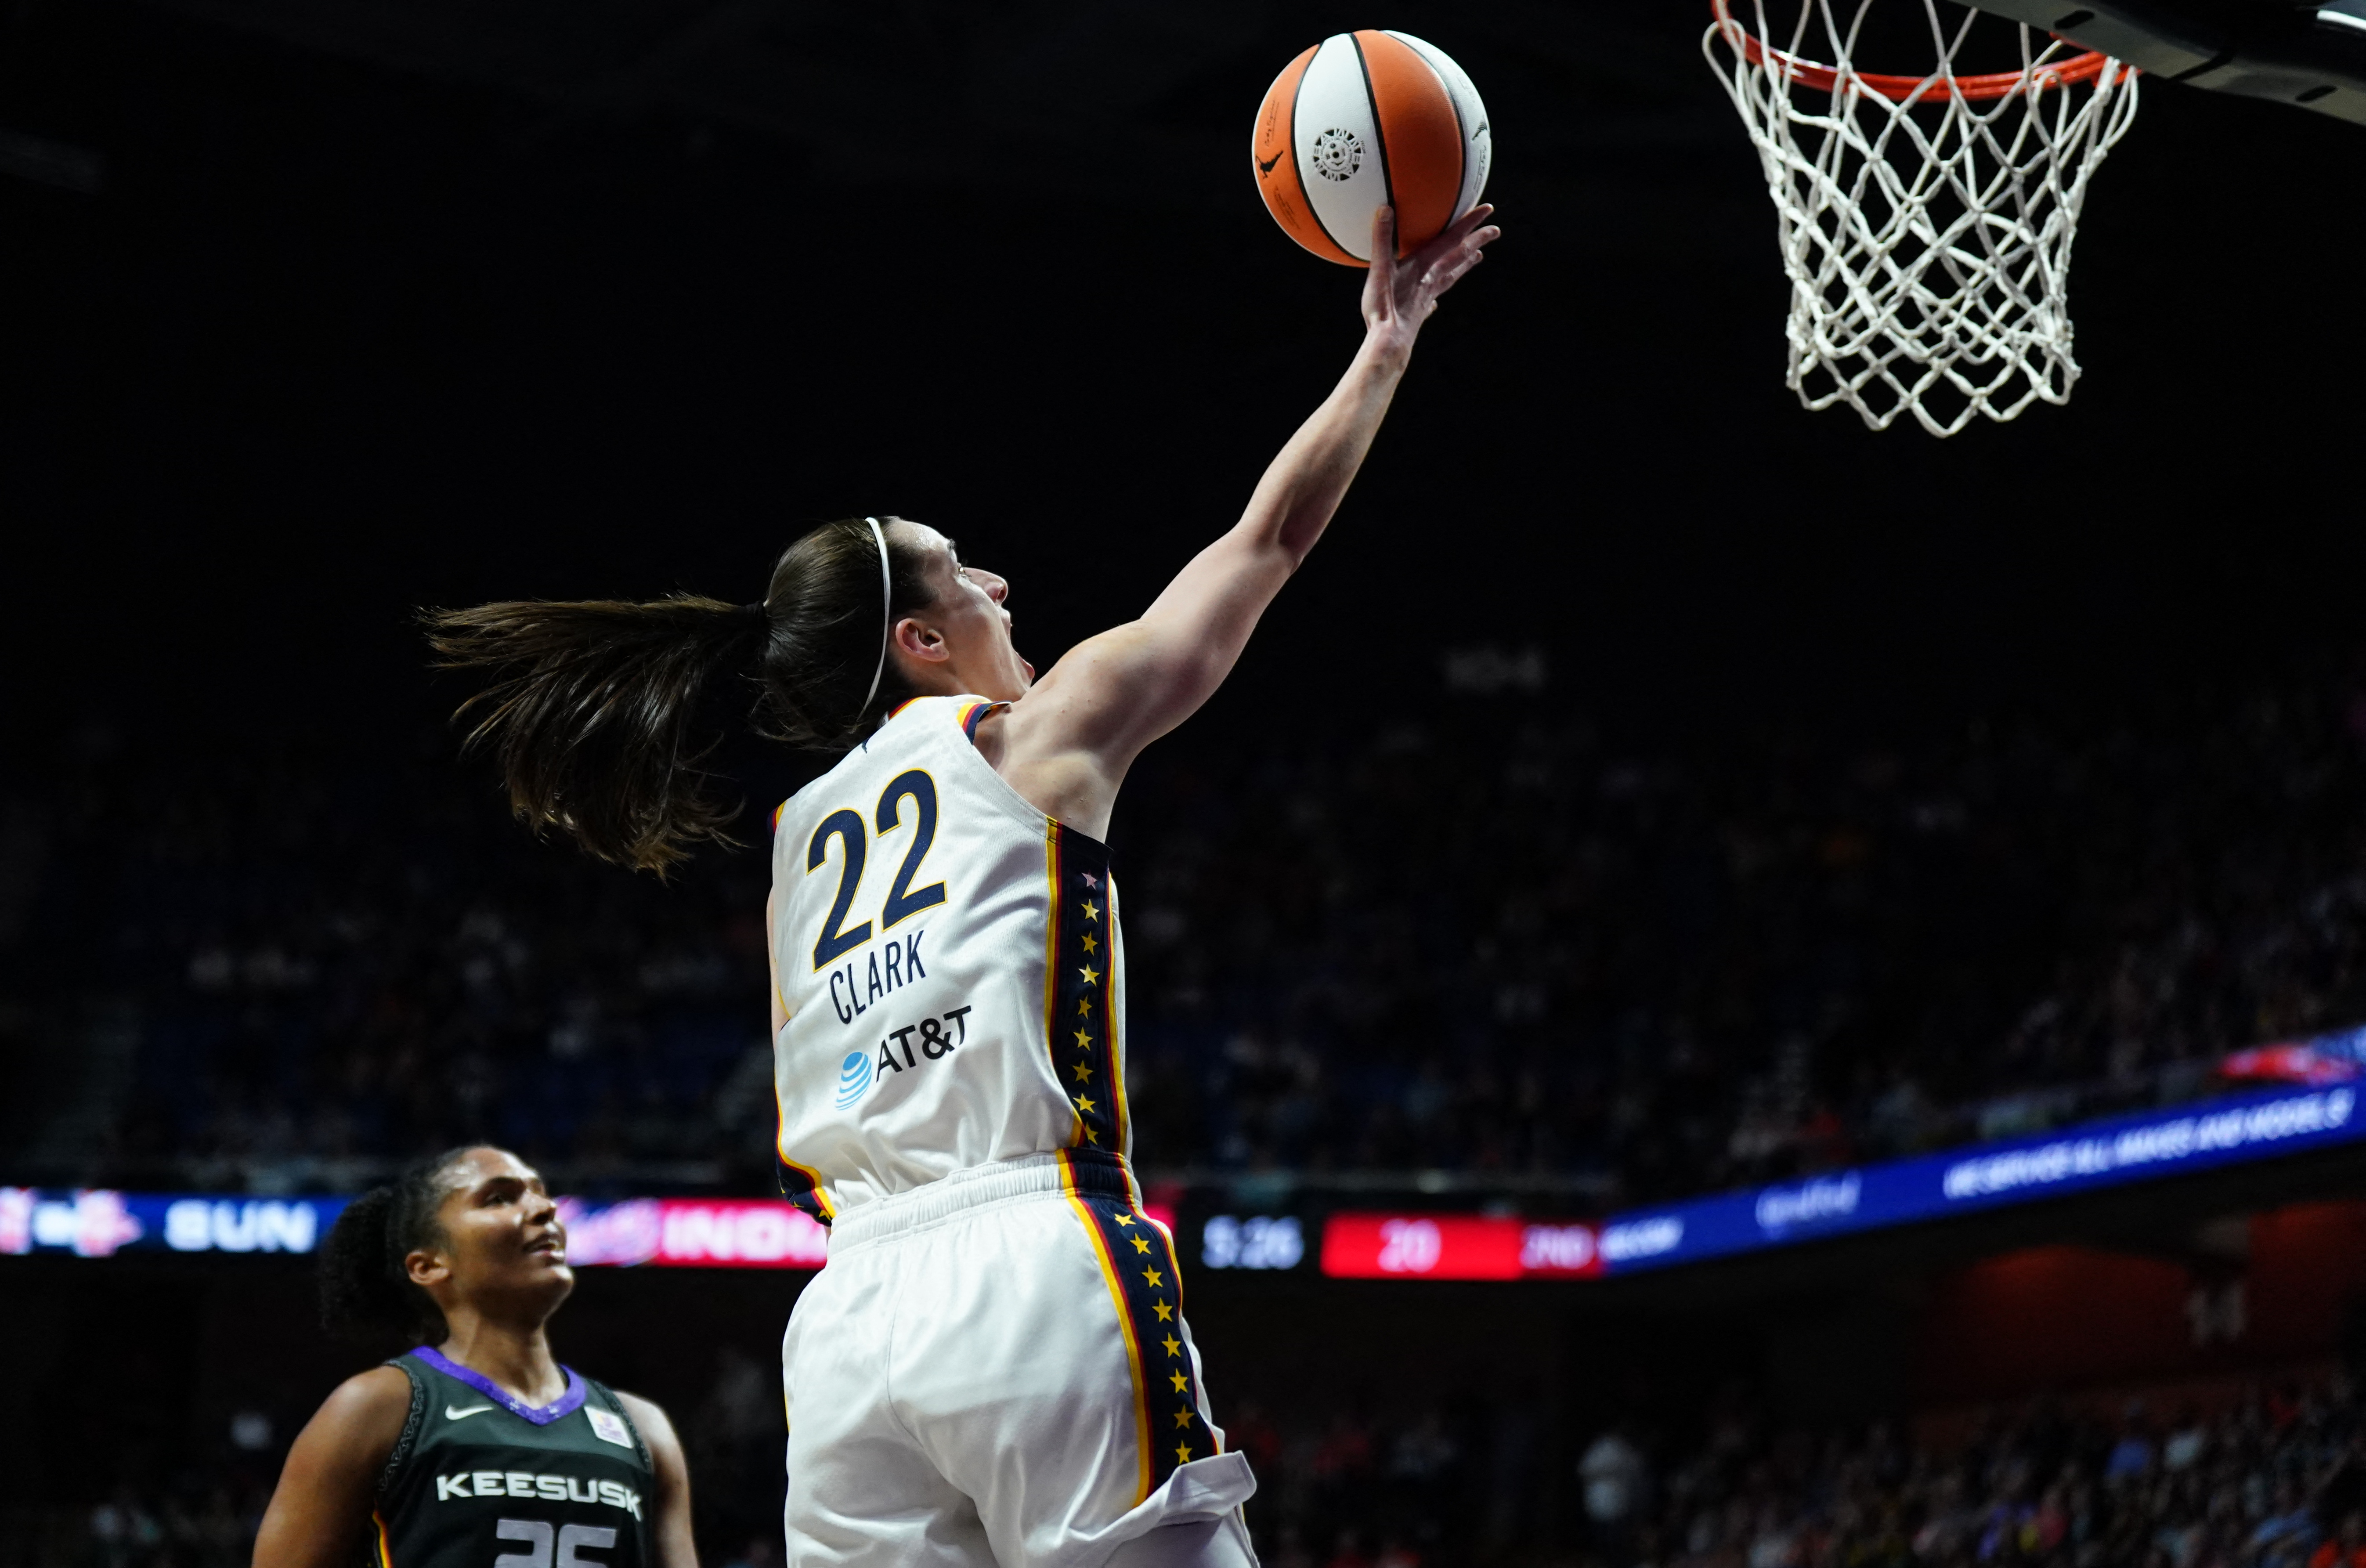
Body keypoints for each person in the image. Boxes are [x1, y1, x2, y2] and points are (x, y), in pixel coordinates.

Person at [425, 199, 1499, 1568]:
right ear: (925, 641)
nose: (1002, 581)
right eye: (965, 577)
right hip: (1025, 1260)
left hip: (848, 1315)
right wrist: (1386, 345)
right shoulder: (1028, 738)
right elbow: (1263, 543)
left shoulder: (797, 841)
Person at [252, 1146, 697, 1568]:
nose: (546, 1210)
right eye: (499, 1199)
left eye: (540, 1194)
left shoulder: (641, 1428)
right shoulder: (378, 1408)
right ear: (428, 1266)